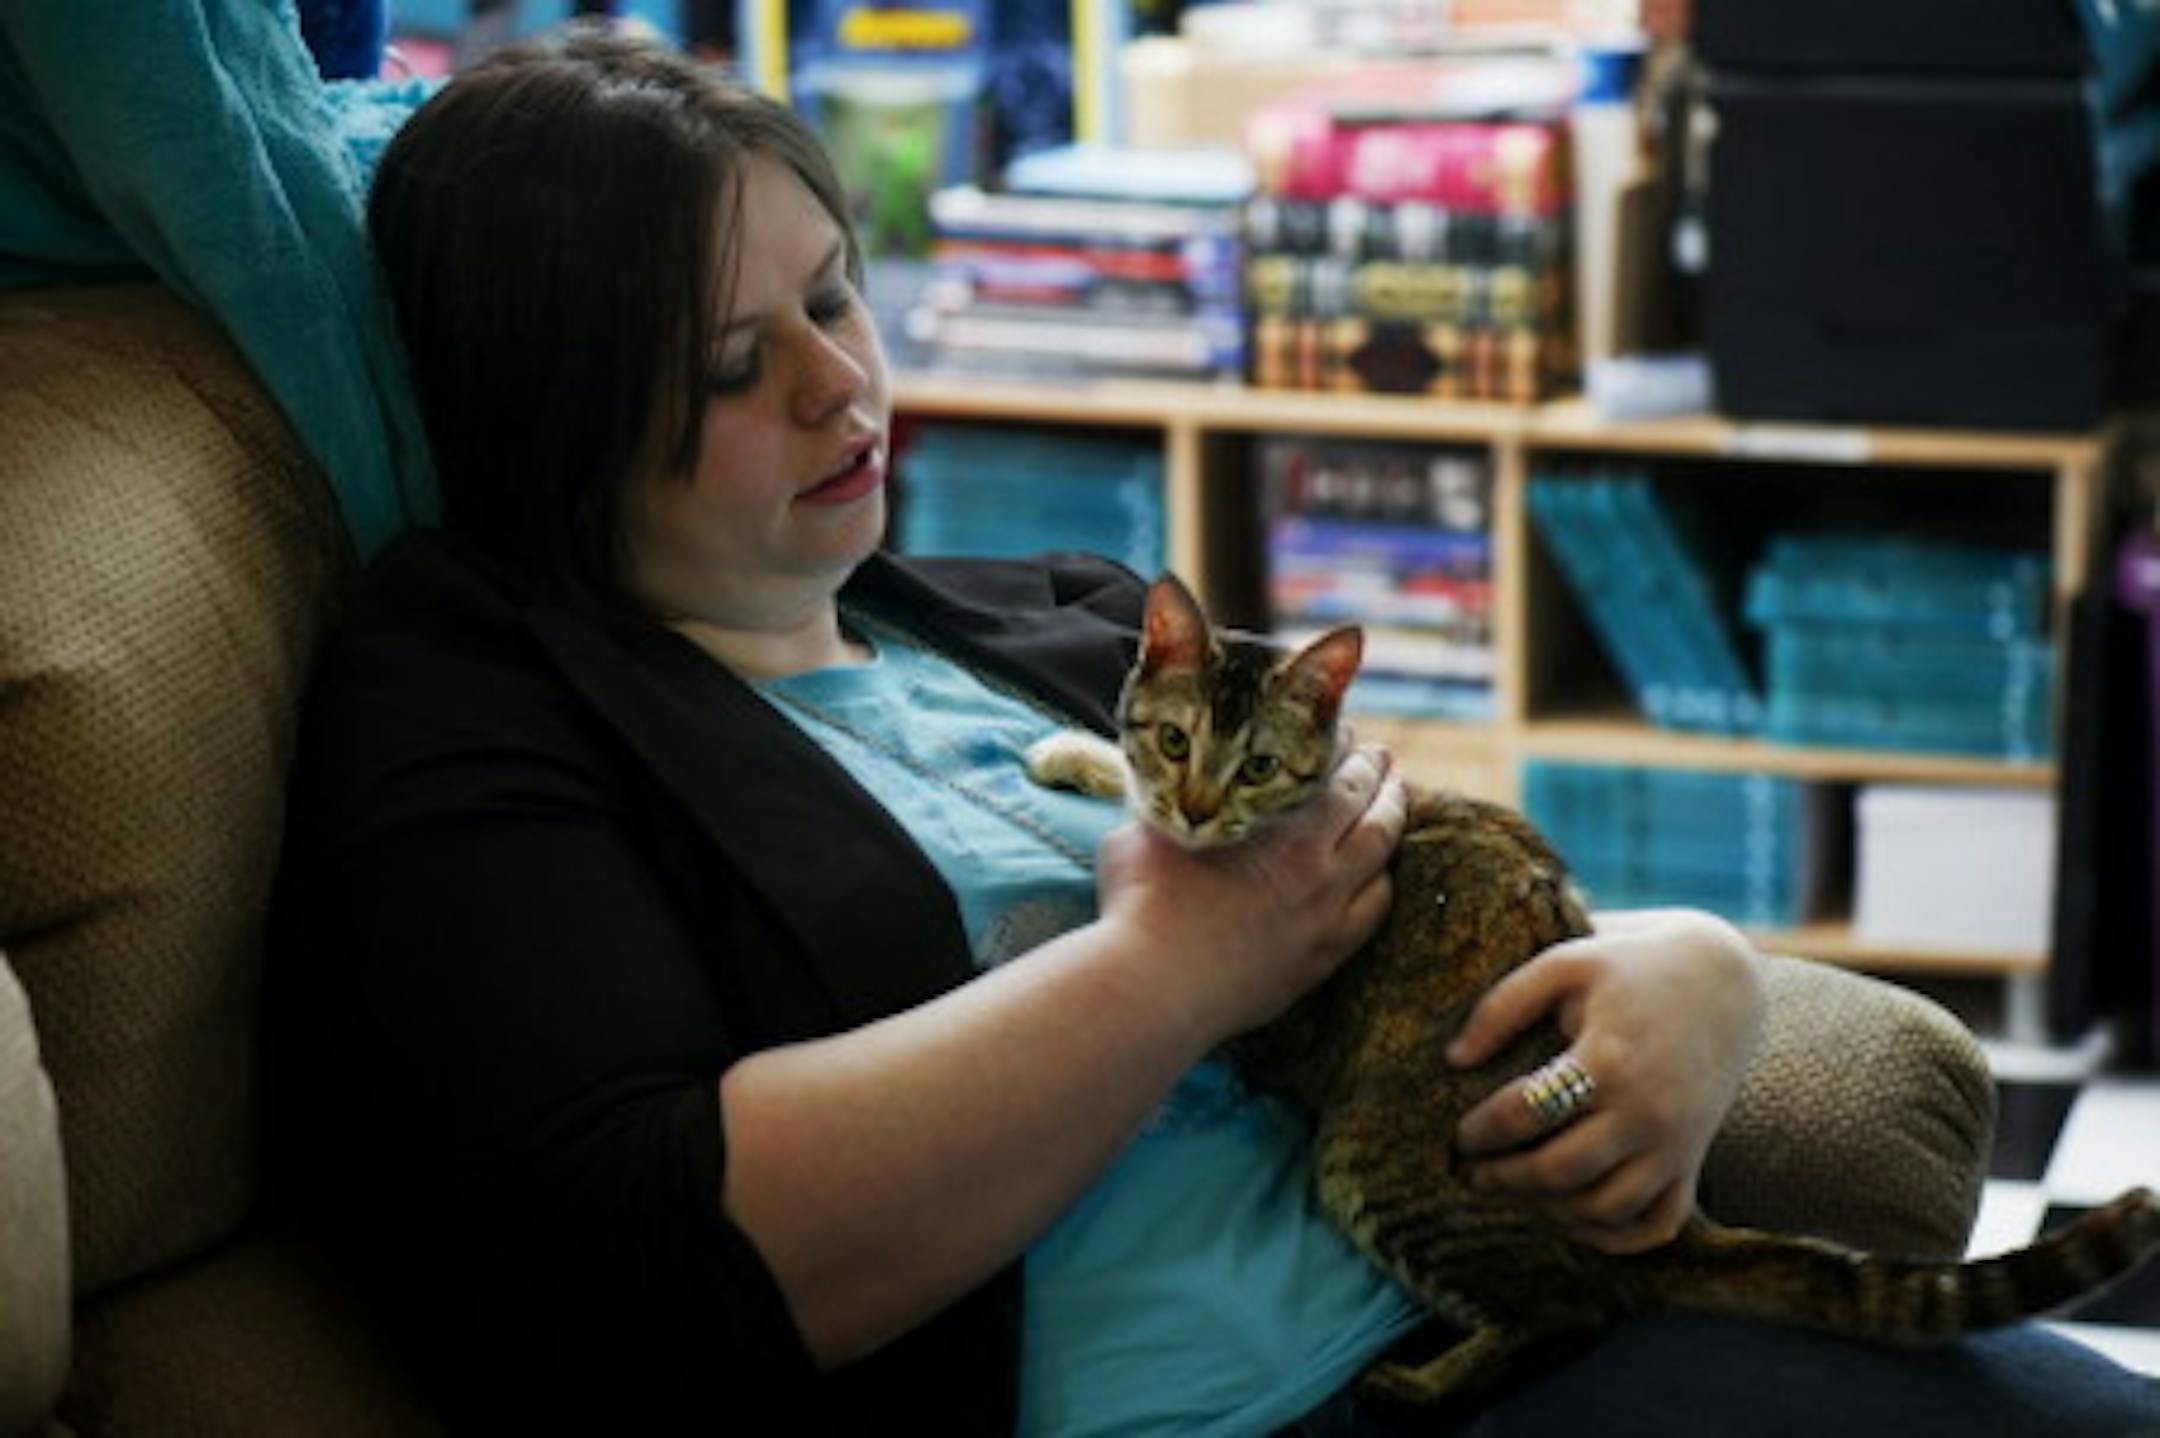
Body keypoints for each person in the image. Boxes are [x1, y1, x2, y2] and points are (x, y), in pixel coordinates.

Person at [272, 24, 2160, 1435]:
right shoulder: (474, 706)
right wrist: (1171, 969)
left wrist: (1689, 969)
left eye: (837, 293)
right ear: (552, 418)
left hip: (1485, 1325)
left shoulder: (1058, 618)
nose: (845, 383)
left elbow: (1411, 874)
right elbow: (646, 1263)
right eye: (727, 366)